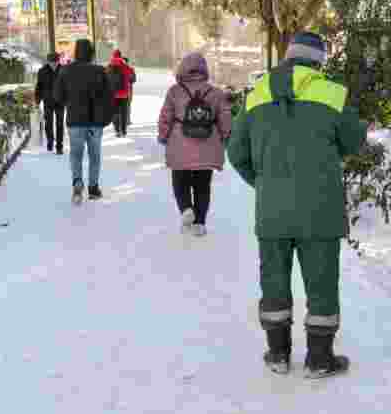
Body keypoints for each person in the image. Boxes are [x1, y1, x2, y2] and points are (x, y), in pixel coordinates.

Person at [227, 31, 367, 379]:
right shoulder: (332, 93)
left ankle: (277, 354)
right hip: (320, 209)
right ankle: (319, 359)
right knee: (321, 282)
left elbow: (235, 152)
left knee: (273, 280)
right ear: (319, 61)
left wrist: (264, 184)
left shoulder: (257, 93)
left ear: (288, 57)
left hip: (272, 210)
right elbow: (353, 140)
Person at [157, 51, 232, 236]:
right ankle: (200, 222)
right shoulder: (215, 93)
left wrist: (163, 136)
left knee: (180, 181)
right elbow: (226, 118)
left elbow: (165, 116)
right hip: (208, 145)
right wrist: (224, 137)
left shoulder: (175, 91)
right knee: (202, 185)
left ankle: (185, 209)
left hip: (179, 145)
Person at [53, 39, 113, 203]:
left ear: (76, 52)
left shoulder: (66, 71)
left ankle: (77, 183)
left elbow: (57, 96)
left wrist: (69, 103)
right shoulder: (100, 71)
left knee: (76, 155)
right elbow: (109, 97)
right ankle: (93, 188)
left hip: (75, 120)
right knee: (94, 156)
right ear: (91, 53)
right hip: (95, 122)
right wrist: (107, 118)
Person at [35, 52, 65, 154]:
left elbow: (67, 86)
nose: (54, 64)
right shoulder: (42, 71)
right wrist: (37, 100)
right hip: (47, 100)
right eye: (52, 62)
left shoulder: (63, 70)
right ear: (48, 62)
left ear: (58, 61)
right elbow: (39, 86)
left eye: (55, 62)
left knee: (60, 123)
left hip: (60, 101)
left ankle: (59, 146)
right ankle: (50, 140)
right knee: (48, 123)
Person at [107, 49, 133, 137]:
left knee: (115, 112)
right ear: (120, 55)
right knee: (124, 112)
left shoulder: (109, 66)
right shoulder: (125, 66)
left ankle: (117, 130)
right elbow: (131, 77)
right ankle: (124, 131)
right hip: (124, 94)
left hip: (113, 94)